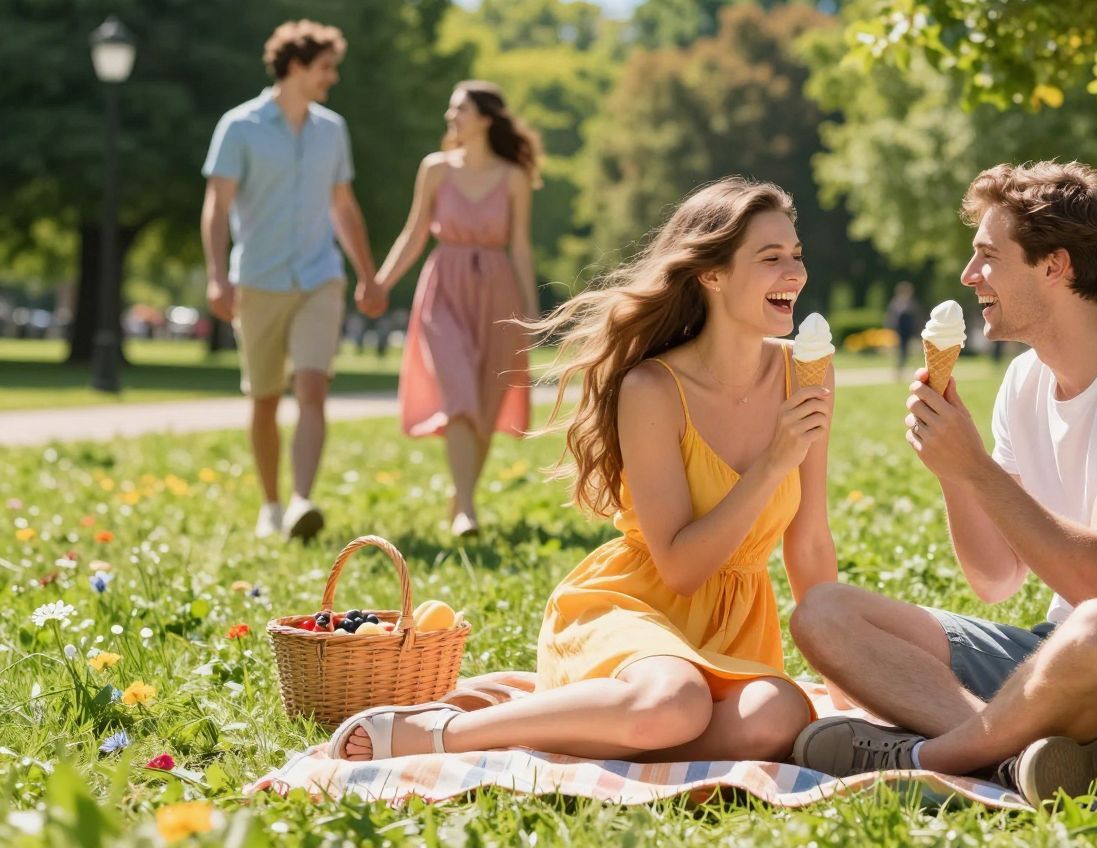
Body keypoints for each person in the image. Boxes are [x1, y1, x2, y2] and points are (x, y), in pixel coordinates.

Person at [788, 161, 1097, 806]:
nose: (969, 276)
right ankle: (1030, 754)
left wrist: (977, 468)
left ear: (1055, 266)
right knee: (824, 613)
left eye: (988, 256)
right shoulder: (1024, 381)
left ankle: (932, 757)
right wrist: (956, 474)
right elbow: (994, 579)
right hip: (1060, 655)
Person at [329, 178, 842, 763]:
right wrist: (774, 463)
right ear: (712, 273)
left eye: (796, 255)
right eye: (771, 258)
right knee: (675, 702)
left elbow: (811, 542)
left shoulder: (808, 376)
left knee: (779, 718)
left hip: (735, 628)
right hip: (633, 609)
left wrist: (847, 687)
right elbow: (680, 568)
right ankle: (444, 734)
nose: (795, 273)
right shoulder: (652, 388)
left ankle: (607, 727)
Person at [201, 20, 383, 541]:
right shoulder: (240, 126)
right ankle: (271, 504)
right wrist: (217, 275)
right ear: (297, 67)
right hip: (257, 280)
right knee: (263, 398)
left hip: (319, 278)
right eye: (326, 67)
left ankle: (303, 499)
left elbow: (343, 207)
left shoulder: (332, 130)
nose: (333, 77)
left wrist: (366, 274)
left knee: (312, 386)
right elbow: (217, 206)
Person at [374, 81, 540, 536]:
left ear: (485, 118)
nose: (451, 117)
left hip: (497, 292)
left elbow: (521, 248)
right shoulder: (435, 168)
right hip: (444, 288)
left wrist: (530, 313)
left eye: (459, 109)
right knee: (459, 391)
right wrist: (381, 282)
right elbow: (413, 233)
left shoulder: (513, 177)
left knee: (485, 404)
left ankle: (462, 495)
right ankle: (467, 508)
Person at [885, 281, 922, 378]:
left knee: (913, 353)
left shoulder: (912, 304)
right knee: (901, 353)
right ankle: (899, 371)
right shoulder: (895, 303)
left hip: (911, 332)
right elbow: (891, 318)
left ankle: (917, 373)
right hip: (900, 333)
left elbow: (917, 319)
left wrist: (918, 332)